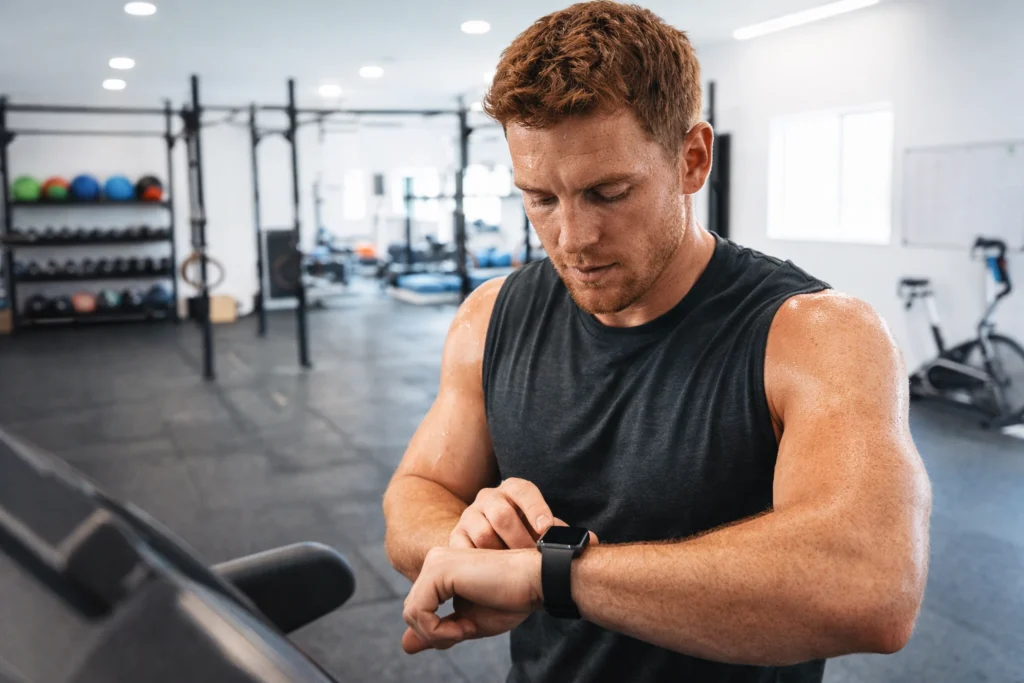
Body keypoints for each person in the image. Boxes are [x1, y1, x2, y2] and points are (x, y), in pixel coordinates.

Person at [382, 2, 932, 682]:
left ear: (692, 159)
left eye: (608, 193)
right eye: (541, 199)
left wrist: (549, 576)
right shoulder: (491, 316)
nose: (573, 238)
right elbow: (417, 491)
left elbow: (870, 586)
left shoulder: (816, 334)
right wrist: (464, 546)